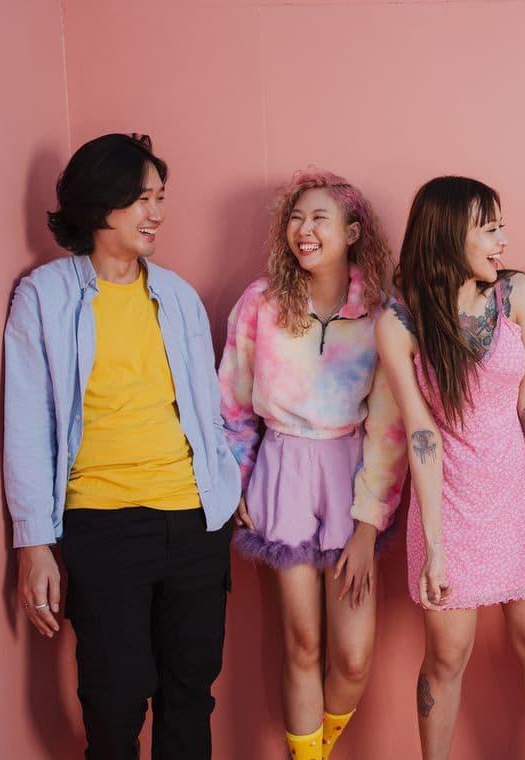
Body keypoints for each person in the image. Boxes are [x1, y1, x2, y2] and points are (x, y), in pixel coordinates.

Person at [4, 133, 242, 759]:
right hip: (102, 525)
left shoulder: (178, 296)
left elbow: (205, 410)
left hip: (194, 521)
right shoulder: (45, 297)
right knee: (114, 699)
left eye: (160, 198)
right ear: (98, 202)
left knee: (190, 692)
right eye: (141, 198)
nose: (156, 213)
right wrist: (33, 543)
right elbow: (26, 424)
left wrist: (225, 480)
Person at [374, 176, 525, 760]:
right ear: (450, 233)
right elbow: (421, 435)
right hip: (450, 503)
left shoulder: (517, 294)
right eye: (489, 227)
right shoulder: (399, 324)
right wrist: (433, 545)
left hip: (521, 495)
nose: (503, 239)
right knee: (448, 656)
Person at [218, 169, 406, 760]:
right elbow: (233, 400)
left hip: (351, 476)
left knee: (351, 656)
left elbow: (389, 429)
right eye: (295, 219)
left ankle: (315, 749)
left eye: (319, 219)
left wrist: (369, 522)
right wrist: (235, 479)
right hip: (282, 472)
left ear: (353, 231)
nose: (304, 230)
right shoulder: (262, 304)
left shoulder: (381, 314)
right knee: (301, 643)